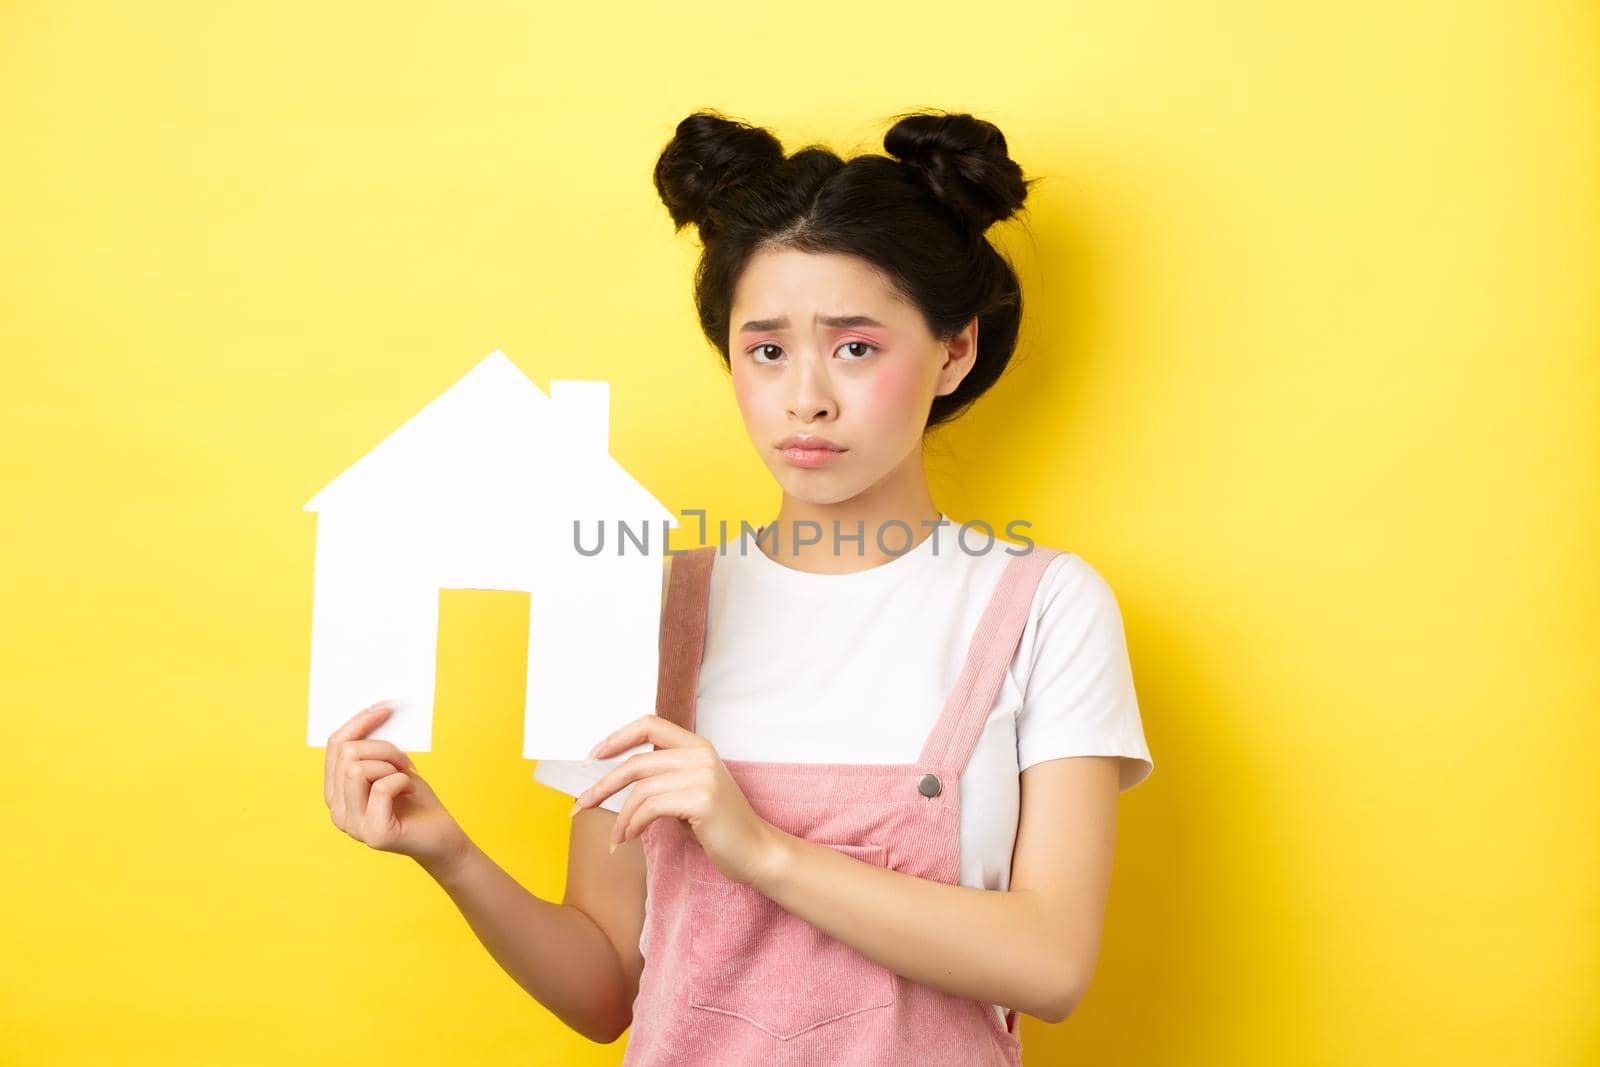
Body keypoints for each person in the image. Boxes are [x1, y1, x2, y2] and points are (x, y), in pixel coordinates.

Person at [322, 107, 1154, 1065]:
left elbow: (1051, 964)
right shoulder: (639, 599)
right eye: (767, 349)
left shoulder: (1044, 606)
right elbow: (604, 991)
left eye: (855, 347)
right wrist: (449, 854)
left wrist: (757, 846)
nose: (806, 395)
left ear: (954, 350)